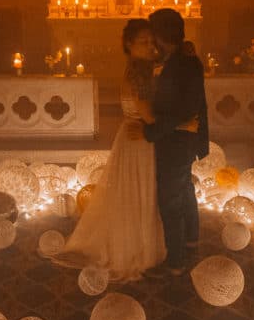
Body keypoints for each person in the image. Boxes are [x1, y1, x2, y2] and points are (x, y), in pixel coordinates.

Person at [54, 19, 191, 280]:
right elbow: (148, 115)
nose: (150, 46)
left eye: (152, 41)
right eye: (143, 42)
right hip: (140, 140)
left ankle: (139, 242)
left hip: (134, 139)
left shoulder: (141, 68)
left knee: (134, 194)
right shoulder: (139, 72)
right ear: (129, 45)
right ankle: (136, 248)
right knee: (140, 193)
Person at [139, 8, 208, 275]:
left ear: (161, 35)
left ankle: (175, 262)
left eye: (153, 34)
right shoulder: (178, 59)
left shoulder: (185, 64)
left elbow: (185, 110)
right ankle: (191, 238)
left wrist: (152, 131)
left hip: (177, 142)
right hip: (181, 140)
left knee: (170, 199)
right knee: (185, 189)